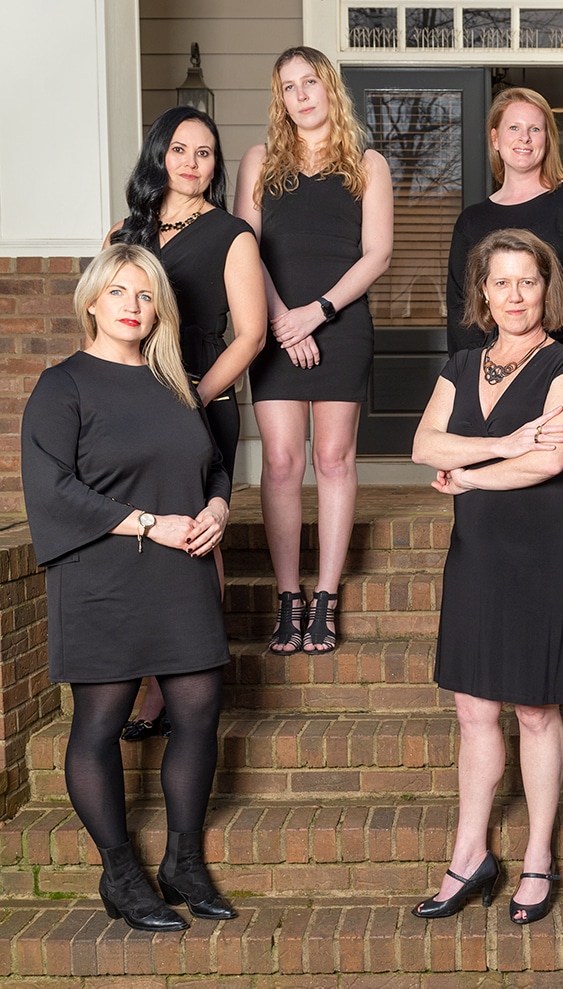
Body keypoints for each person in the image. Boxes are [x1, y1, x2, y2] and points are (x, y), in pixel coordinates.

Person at [21, 243, 238, 931]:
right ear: (91, 300)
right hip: (103, 573)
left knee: (199, 712)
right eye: (119, 292)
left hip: (181, 564)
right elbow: (51, 489)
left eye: (145, 295)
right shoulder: (64, 384)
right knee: (100, 724)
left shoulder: (175, 381)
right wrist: (149, 522)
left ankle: (182, 861)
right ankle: (119, 871)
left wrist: (218, 508)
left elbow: (214, 465)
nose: (133, 307)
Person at [411, 229, 563, 925]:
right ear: (481, 292)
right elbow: (421, 443)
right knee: (471, 709)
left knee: (534, 708)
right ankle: (469, 855)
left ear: (545, 289)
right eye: (501, 282)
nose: (514, 294)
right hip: (478, 552)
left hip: (541, 547)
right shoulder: (461, 363)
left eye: (527, 281)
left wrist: (465, 475)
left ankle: (539, 855)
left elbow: (548, 461)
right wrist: (496, 446)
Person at [107, 105, 267, 741]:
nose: (192, 163)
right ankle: (150, 687)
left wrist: (191, 396)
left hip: (202, 396)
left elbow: (251, 335)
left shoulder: (233, 235)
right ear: (159, 155)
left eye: (205, 153)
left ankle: (190, 684)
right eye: (180, 149)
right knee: (140, 540)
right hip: (130, 400)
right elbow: (102, 317)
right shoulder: (126, 232)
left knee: (201, 536)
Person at [234, 46, 393, 656]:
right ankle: (287, 597)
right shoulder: (259, 161)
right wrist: (280, 319)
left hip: (340, 324)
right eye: (288, 87)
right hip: (271, 325)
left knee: (332, 458)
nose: (301, 95)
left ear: (330, 88)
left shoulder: (367, 164)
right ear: (279, 98)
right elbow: (244, 245)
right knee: (280, 462)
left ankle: (324, 598)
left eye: (310, 82)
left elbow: (375, 255)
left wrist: (316, 315)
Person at [446, 86, 563, 364]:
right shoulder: (471, 221)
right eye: (514, 128)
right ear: (495, 139)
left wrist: (535, 355)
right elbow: (462, 308)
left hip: (559, 363)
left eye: (535, 129)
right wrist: (485, 364)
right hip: (490, 371)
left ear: (547, 139)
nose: (525, 138)